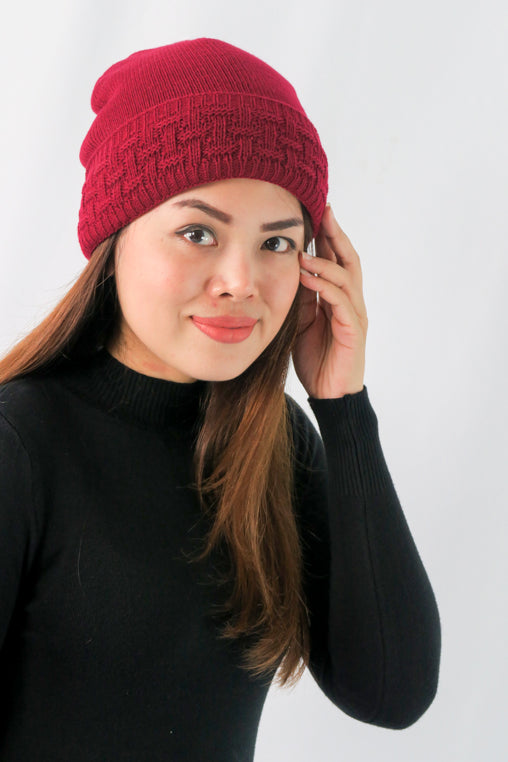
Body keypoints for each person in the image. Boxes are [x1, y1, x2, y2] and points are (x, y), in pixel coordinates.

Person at [0, 38, 440, 761]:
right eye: (197, 232)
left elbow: (392, 692)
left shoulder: (276, 443)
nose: (240, 281)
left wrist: (343, 409)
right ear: (116, 238)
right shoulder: (21, 442)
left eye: (277, 243)